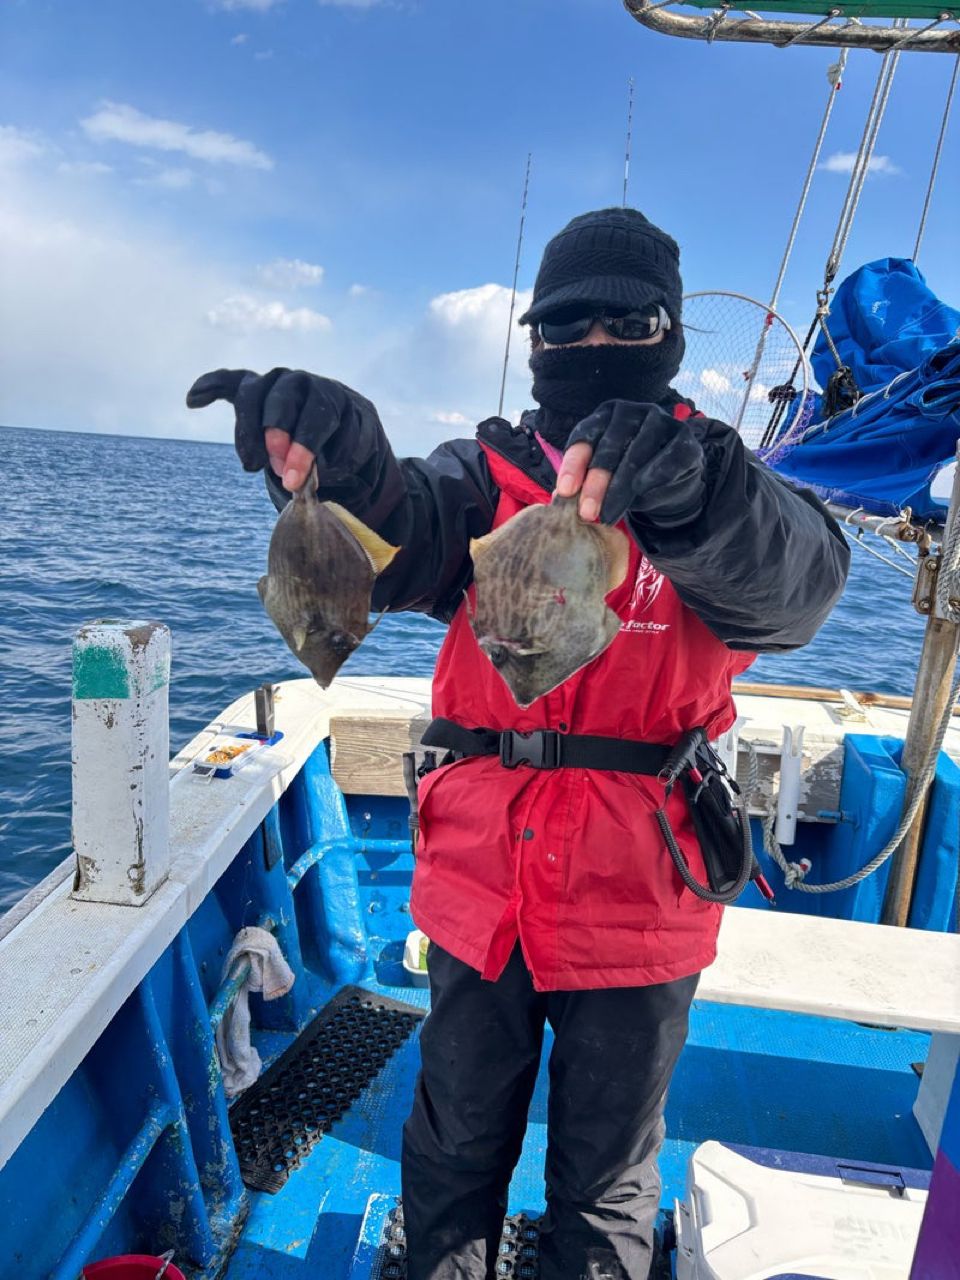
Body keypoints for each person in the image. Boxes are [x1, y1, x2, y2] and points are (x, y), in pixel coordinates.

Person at [188, 207, 850, 1280]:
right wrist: (349, 471)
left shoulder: (714, 476)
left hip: (642, 900)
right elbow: (403, 542)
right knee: (450, 1148)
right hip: (480, 892)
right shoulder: (485, 469)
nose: (591, 343)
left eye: (624, 321)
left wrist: (694, 494)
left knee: (606, 1182)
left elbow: (800, 583)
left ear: (673, 332)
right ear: (533, 337)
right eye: (564, 322)